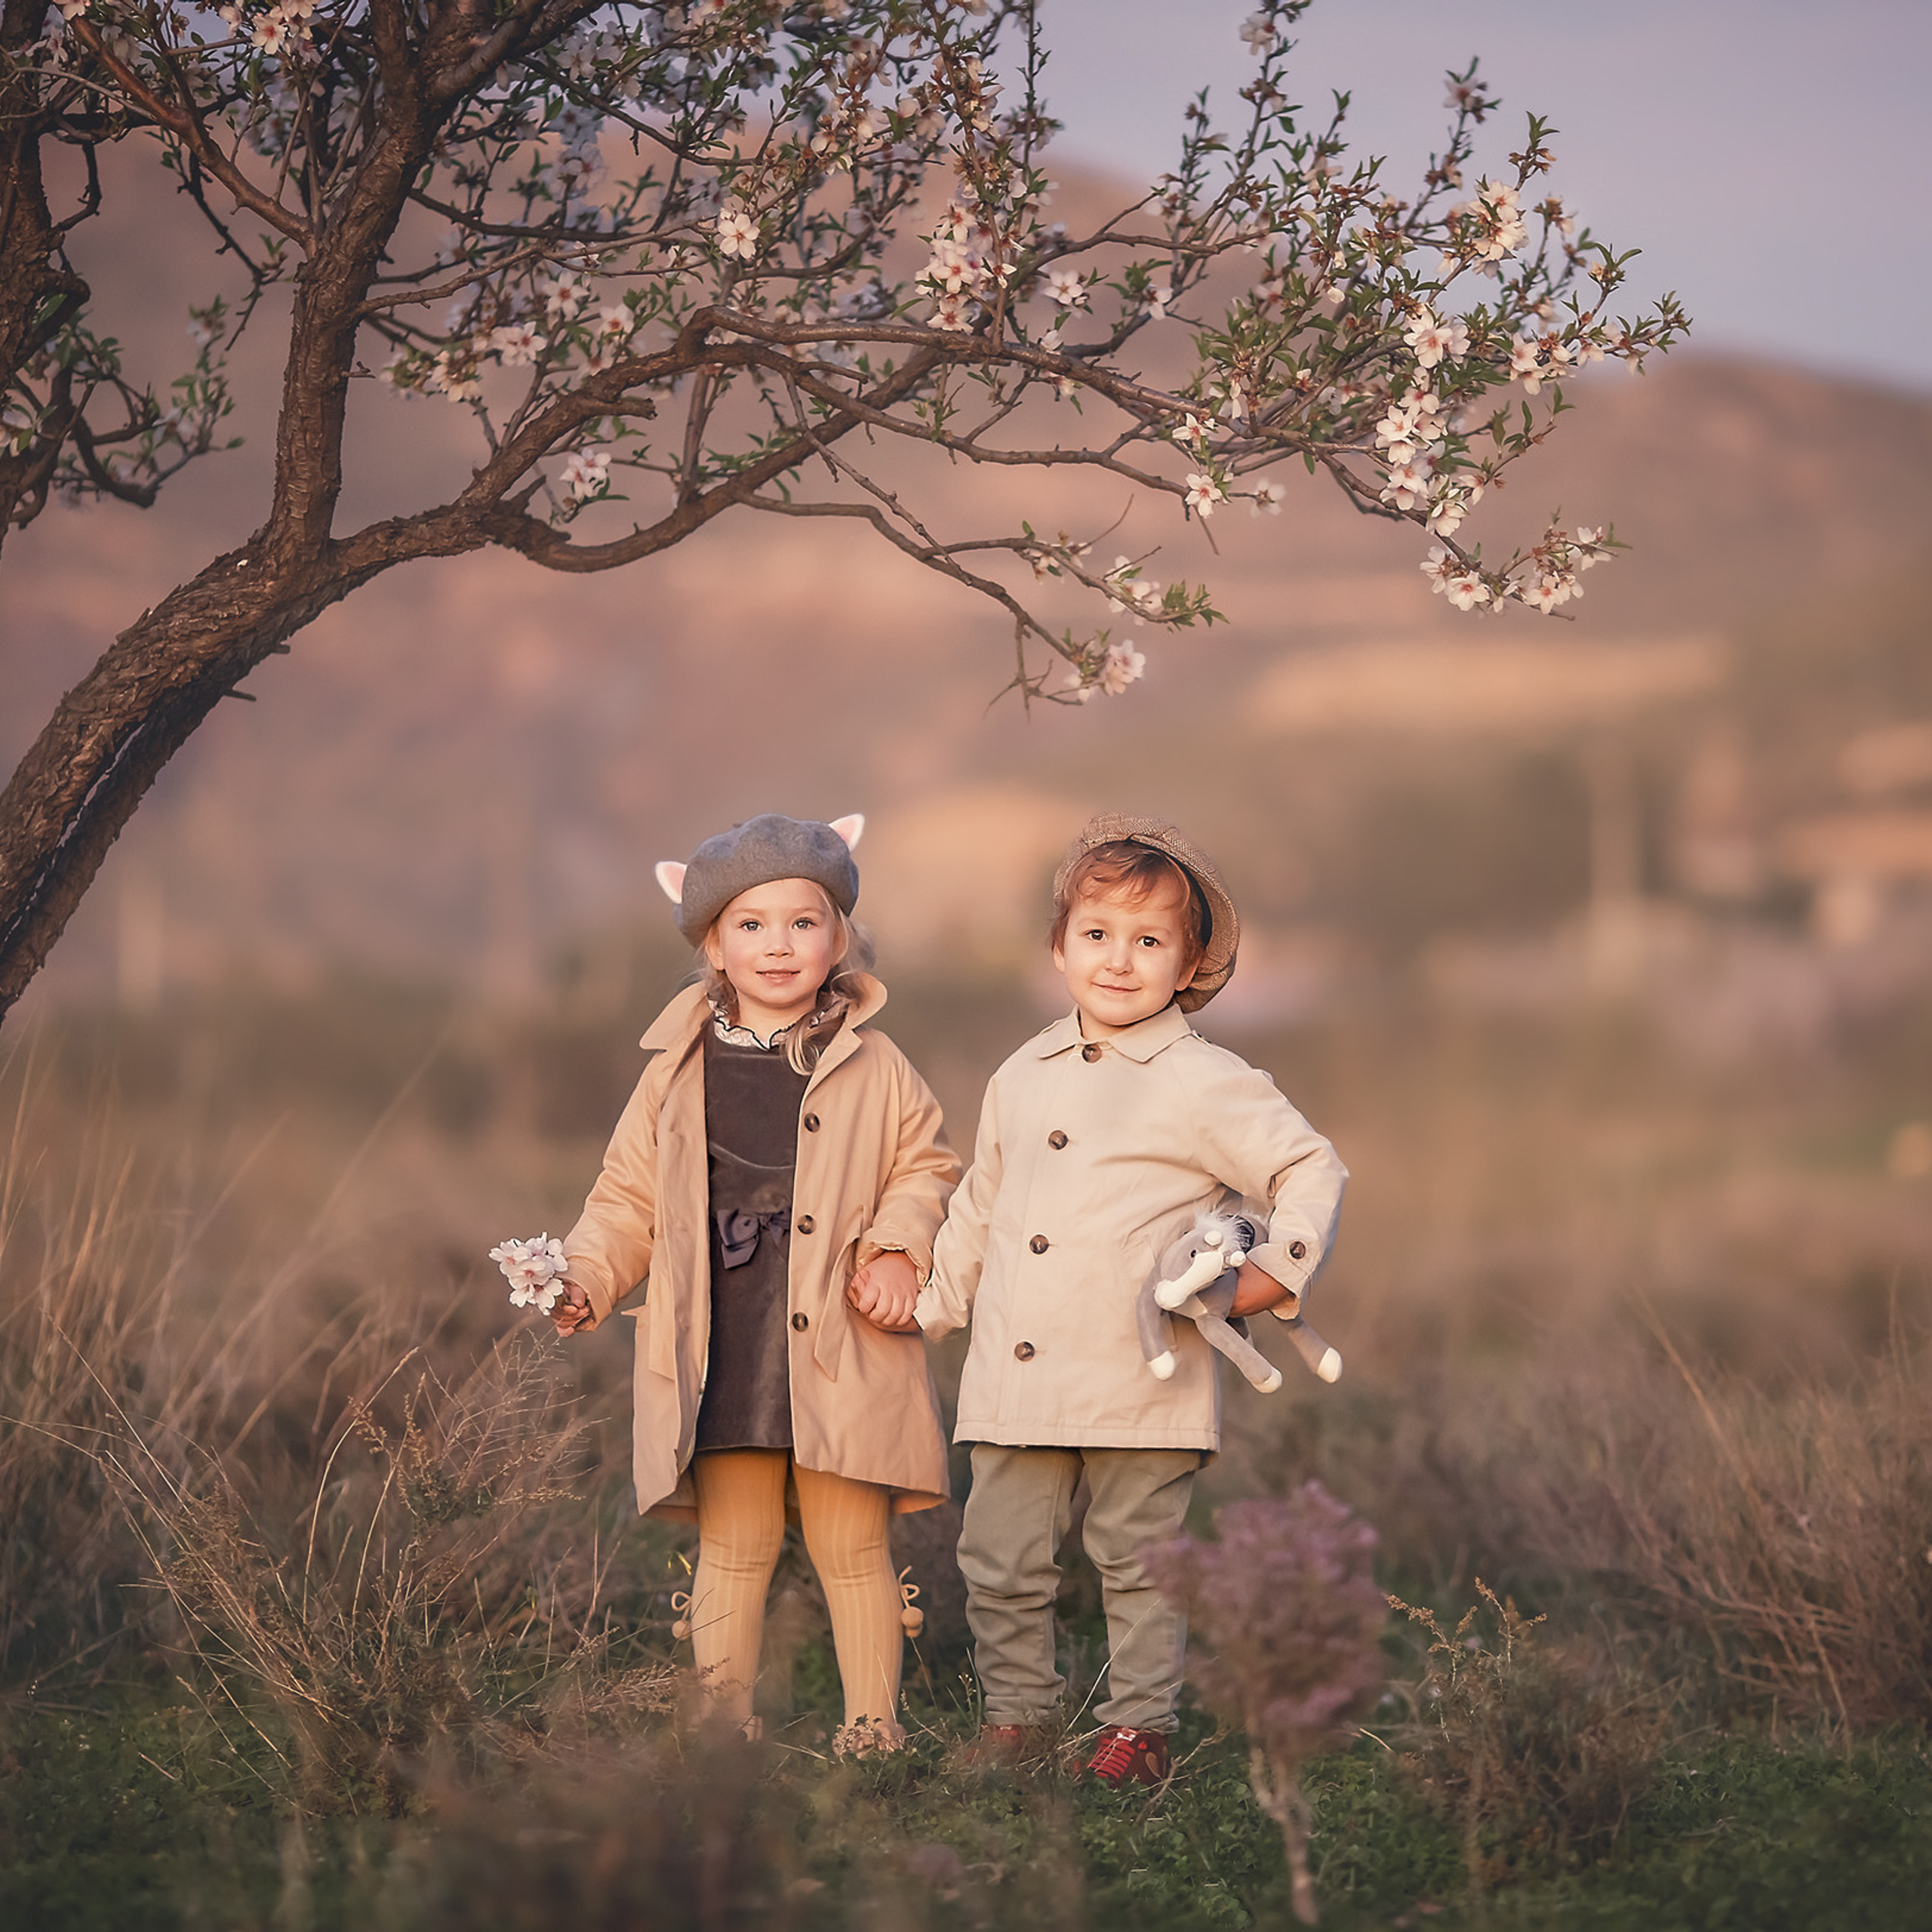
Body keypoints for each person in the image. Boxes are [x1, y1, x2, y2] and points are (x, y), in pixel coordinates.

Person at [900, 812, 1348, 1788]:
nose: (1118, 960)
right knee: (1002, 1559)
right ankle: (1019, 1720)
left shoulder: (1205, 1080)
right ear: (1058, 946)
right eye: (1097, 934)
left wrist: (1269, 1274)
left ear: (1191, 964)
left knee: (1140, 1563)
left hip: (1145, 1377)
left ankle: (1139, 1730)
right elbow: (983, 1199)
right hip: (1017, 1370)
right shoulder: (1024, 1071)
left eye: (1150, 942)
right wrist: (933, 1303)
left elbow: (1309, 1165)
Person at [543, 812, 958, 1752]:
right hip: (721, 1340)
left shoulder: (876, 1062)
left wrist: (897, 1248)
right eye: (751, 925)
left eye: (803, 922)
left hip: (841, 1339)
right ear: (712, 946)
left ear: (839, 936)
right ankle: (723, 1737)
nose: (779, 944)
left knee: (852, 1549)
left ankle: (873, 1733)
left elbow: (924, 1168)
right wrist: (585, 1277)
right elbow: (625, 1198)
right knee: (734, 1545)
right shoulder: (673, 1071)